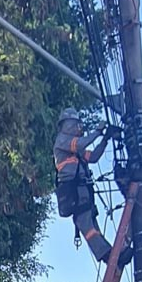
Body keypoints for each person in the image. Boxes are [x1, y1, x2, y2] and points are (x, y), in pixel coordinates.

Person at [53, 108, 131, 266]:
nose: (77, 128)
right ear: (66, 125)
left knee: (90, 224)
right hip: (73, 190)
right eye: (74, 124)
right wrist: (98, 131)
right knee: (86, 224)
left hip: (83, 189)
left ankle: (112, 254)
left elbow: (93, 157)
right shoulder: (62, 140)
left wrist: (105, 139)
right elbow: (81, 143)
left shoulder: (75, 148)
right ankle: (107, 255)